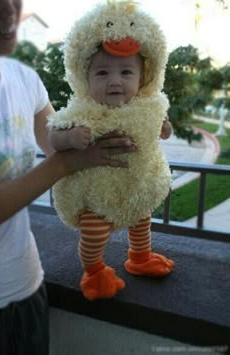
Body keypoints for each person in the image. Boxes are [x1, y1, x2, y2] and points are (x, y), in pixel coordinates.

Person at [0, 0, 139, 354]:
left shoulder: (23, 79)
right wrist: (63, 166)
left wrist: (118, 124)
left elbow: (62, 140)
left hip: (25, 286)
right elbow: (63, 162)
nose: (8, 9)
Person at [48, 0, 174, 302]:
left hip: (138, 184)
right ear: (84, 77)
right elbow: (53, 135)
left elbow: (161, 124)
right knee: (94, 231)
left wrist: (164, 127)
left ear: (143, 76)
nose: (115, 81)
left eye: (126, 72)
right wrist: (72, 138)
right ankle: (93, 270)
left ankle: (139, 256)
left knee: (142, 217)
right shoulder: (84, 109)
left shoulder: (148, 105)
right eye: (102, 73)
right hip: (96, 194)